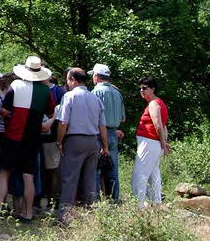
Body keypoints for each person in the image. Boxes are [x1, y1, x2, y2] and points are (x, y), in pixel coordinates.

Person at [0, 56, 54, 222]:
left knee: (4, 173)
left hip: (13, 136)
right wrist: (47, 124)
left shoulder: (16, 85)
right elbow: (52, 113)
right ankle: (28, 213)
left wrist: (10, 118)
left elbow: (4, 110)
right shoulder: (45, 91)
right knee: (29, 177)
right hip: (32, 139)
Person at [56, 68, 108, 222]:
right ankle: (90, 216)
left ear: (72, 79)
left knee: (69, 178)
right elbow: (102, 126)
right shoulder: (95, 99)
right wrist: (105, 146)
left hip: (74, 140)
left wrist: (59, 141)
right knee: (90, 179)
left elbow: (63, 122)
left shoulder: (69, 96)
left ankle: (65, 216)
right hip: (93, 141)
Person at [131, 77, 170, 208]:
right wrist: (164, 142)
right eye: (140, 88)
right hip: (153, 143)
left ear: (153, 89)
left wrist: (163, 143)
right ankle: (156, 203)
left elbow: (158, 125)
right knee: (154, 174)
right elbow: (164, 126)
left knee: (139, 174)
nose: (141, 90)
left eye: (145, 88)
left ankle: (139, 206)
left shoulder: (154, 104)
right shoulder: (159, 103)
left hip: (149, 143)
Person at [89, 63, 125, 202]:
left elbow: (92, 117)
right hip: (113, 134)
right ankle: (114, 200)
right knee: (113, 169)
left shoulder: (95, 92)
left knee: (96, 170)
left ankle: (96, 201)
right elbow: (122, 118)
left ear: (97, 76)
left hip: (98, 134)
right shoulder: (117, 93)